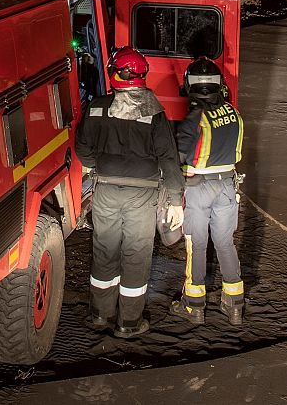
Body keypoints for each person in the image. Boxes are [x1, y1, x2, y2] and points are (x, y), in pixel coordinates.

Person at [75, 46, 184, 339]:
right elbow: (169, 158)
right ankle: (129, 322)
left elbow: (83, 149)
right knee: (136, 254)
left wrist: (98, 164)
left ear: (115, 73)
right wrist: (176, 201)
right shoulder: (154, 112)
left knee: (104, 250)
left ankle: (100, 314)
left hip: (106, 191)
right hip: (142, 196)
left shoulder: (97, 107)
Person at [169, 57, 246, 326]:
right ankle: (234, 305)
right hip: (227, 186)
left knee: (197, 244)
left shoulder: (196, 116)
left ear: (190, 85)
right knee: (225, 243)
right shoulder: (233, 113)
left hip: (198, 188)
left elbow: (179, 155)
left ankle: (194, 306)